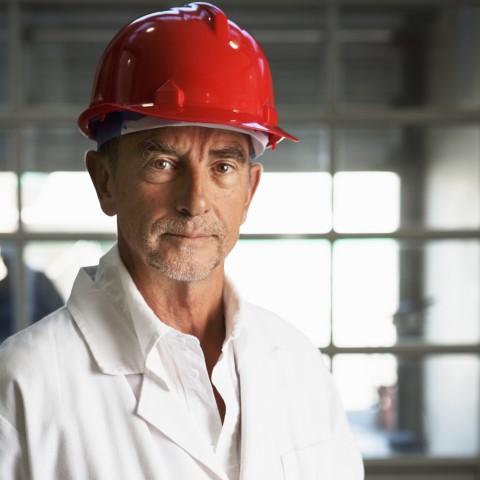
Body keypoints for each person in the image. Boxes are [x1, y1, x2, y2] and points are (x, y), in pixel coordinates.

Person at [0, 3, 364, 479]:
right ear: (104, 181)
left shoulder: (297, 363)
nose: (195, 202)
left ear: (250, 190)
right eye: (163, 163)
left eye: (223, 167)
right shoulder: (22, 386)